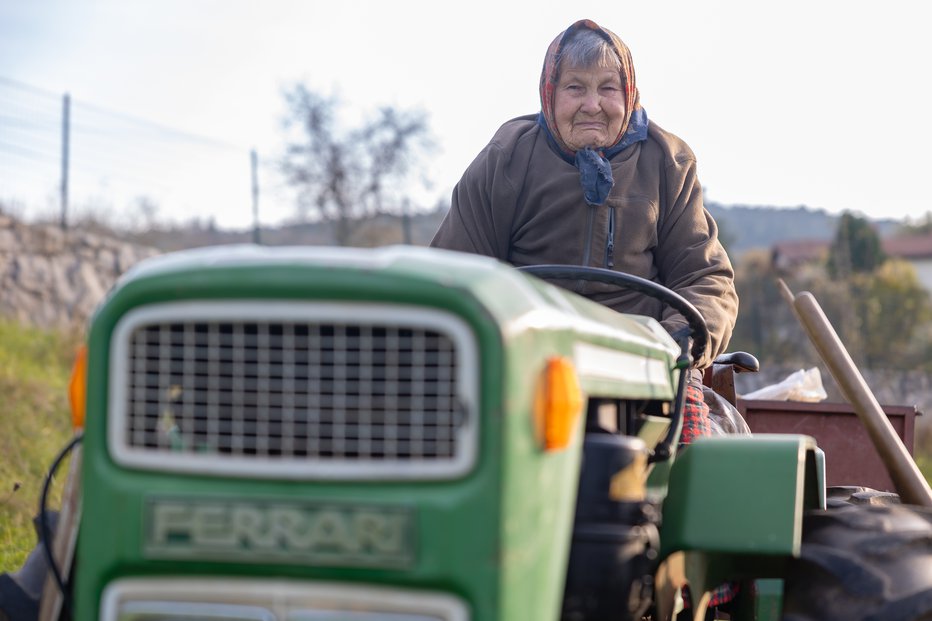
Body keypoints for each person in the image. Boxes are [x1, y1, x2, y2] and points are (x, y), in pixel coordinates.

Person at [430, 19, 739, 445]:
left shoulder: (667, 161)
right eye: (575, 88)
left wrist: (677, 344)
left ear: (627, 93)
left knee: (704, 462)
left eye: (607, 88)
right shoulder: (506, 158)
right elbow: (454, 272)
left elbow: (706, 279)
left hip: (641, 368)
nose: (592, 104)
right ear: (549, 95)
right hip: (525, 361)